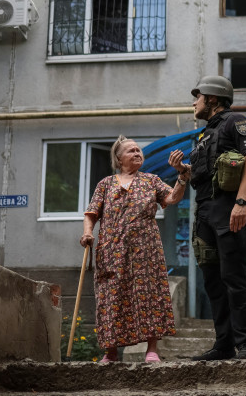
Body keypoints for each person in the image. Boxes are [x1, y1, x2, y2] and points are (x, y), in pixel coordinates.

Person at [80, 135, 189, 363]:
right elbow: (91, 213)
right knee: (111, 297)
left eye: (139, 150)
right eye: (131, 150)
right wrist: (88, 233)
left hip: (145, 250)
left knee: (149, 294)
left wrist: (181, 176)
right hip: (111, 251)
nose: (138, 153)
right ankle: (111, 351)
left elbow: (172, 198)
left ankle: (151, 349)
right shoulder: (105, 184)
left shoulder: (151, 180)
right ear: (119, 159)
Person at [184, 75, 246, 360]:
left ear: (213, 98)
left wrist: (241, 202)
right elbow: (205, 174)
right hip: (204, 212)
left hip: (228, 209)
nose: (195, 103)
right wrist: (184, 172)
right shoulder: (204, 134)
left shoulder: (235, 121)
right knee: (213, 282)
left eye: (198, 97)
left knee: (233, 277)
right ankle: (224, 344)